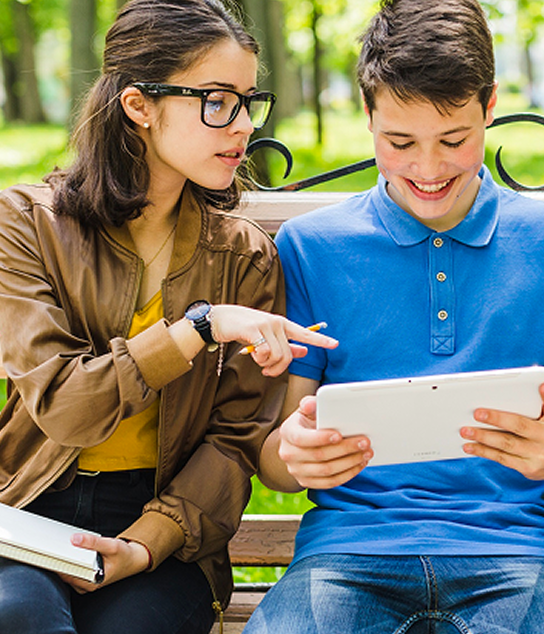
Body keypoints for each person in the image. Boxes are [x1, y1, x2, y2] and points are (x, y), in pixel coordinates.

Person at [243, 1, 544, 632]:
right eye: (400, 143)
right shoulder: (312, 247)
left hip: (521, 552)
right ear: (367, 115)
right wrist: (295, 457)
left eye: (454, 140)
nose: (427, 169)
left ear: (490, 106)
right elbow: (276, 456)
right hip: (347, 554)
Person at [0, 1, 337, 633]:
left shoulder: (243, 256)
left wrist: (146, 544)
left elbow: (235, 440)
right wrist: (199, 328)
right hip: (27, 509)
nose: (242, 125)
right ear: (139, 105)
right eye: (217, 101)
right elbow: (67, 408)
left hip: (168, 527)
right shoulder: (26, 225)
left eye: (248, 102)